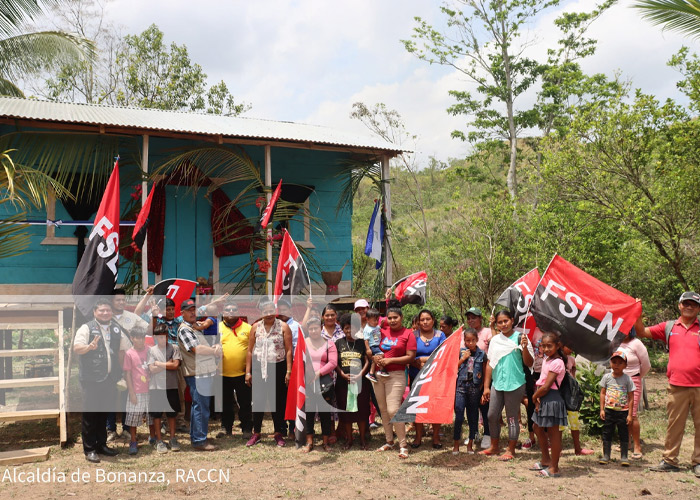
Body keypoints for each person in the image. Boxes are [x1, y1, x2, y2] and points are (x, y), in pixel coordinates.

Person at [634, 291, 700, 476]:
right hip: (677, 385)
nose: (689, 306)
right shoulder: (669, 326)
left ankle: (698, 462)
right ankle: (670, 460)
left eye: (693, 304)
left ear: (698, 308)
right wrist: (637, 314)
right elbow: (642, 332)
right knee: (674, 425)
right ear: (679, 305)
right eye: (685, 303)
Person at [73, 297, 130, 463]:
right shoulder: (86, 328)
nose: (105, 313)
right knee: (90, 415)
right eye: (101, 310)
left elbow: (123, 351)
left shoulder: (116, 329)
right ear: (94, 312)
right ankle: (90, 449)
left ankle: (101, 445)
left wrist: (122, 373)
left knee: (103, 414)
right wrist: (89, 347)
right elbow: (77, 348)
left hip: (110, 379)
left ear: (111, 312)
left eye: (108, 310)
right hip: (91, 379)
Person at [480, 309, 534, 461]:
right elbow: (490, 363)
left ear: (512, 320)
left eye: (506, 321)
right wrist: (486, 387)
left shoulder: (521, 338)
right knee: (491, 415)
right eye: (500, 322)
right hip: (497, 383)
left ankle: (511, 449)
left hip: (515, 383)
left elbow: (529, 363)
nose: (503, 324)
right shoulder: (495, 340)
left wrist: (524, 348)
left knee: (511, 418)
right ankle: (494, 446)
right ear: (496, 324)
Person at [370, 300, 416, 459]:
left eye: (396, 317)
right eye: (390, 318)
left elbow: (410, 357)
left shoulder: (408, 334)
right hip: (378, 374)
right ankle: (389, 441)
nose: (392, 320)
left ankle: (403, 445)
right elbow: (371, 346)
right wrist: (375, 358)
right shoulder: (381, 331)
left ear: (402, 317)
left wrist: (390, 361)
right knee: (382, 410)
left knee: (393, 410)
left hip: (396, 375)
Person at [245, 297, 293, 447]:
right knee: (258, 400)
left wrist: (289, 370)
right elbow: (249, 351)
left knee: (277, 401)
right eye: (265, 311)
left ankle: (278, 432)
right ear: (261, 312)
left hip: (278, 367)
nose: (269, 314)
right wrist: (248, 372)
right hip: (259, 367)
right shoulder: (255, 327)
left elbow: (289, 350)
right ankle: (257, 433)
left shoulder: (283, 327)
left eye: (271, 311)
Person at [178, 298, 222, 451]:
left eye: (194, 310)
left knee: (200, 406)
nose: (192, 313)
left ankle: (198, 436)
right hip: (197, 373)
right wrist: (214, 350)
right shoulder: (185, 329)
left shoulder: (193, 327)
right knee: (201, 407)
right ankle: (199, 440)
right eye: (189, 310)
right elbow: (196, 349)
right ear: (182, 313)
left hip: (202, 372)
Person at [530, 332, 568, 478]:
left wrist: (534, 397)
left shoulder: (557, 362)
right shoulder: (547, 359)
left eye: (549, 346)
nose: (545, 349)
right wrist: (538, 397)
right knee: (536, 427)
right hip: (543, 398)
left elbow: (547, 386)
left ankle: (554, 467)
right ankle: (546, 459)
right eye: (543, 346)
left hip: (552, 399)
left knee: (554, 434)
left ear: (558, 346)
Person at [409, 309, 446, 448]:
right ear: (418, 322)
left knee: (435, 406)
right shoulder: (413, 335)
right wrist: (416, 362)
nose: (425, 322)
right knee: (417, 406)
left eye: (428, 319)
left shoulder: (440, 335)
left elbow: (442, 354)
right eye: (422, 319)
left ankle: (435, 437)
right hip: (416, 375)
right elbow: (409, 355)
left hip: (435, 376)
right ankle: (418, 437)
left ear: (433, 320)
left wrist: (424, 360)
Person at [217, 302, 253, 439]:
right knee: (225, 403)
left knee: (245, 403)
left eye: (234, 309)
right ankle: (226, 428)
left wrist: (250, 371)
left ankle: (247, 428)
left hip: (243, 373)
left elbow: (252, 350)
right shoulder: (216, 328)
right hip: (222, 374)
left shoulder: (248, 328)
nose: (231, 311)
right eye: (227, 309)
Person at [336, 313, 371, 450]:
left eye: (352, 328)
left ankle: (362, 439)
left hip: (361, 383)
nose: (349, 331)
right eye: (346, 328)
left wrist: (360, 375)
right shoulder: (338, 343)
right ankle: (349, 440)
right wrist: (342, 374)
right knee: (346, 412)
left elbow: (368, 361)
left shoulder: (362, 343)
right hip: (343, 384)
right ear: (343, 329)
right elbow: (335, 363)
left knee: (361, 411)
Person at [302, 317, 338, 452]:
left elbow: (333, 363)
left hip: (325, 383)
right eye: (310, 329)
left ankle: (325, 442)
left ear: (321, 328)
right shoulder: (304, 343)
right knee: (309, 412)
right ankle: (309, 442)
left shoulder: (329, 344)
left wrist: (319, 373)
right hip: (308, 382)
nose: (313, 331)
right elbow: (299, 361)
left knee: (325, 413)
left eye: (316, 328)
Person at [147, 323, 182, 453]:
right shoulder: (151, 350)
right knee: (157, 415)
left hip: (171, 386)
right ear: (155, 337)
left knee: (172, 414)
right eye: (160, 337)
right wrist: (168, 364)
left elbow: (175, 366)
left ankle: (173, 438)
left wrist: (159, 363)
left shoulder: (174, 348)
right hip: (156, 387)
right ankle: (159, 440)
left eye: (165, 336)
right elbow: (152, 369)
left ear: (168, 336)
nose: (163, 339)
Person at [616, 329, 650, 460]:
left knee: (633, 414)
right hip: (618, 381)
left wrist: (636, 377)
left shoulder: (637, 344)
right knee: (622, 413)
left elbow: (646, 365)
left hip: (633, 380)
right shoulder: (615, 343)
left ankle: (637, 446)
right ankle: (626, 442)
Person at [453, 328, 486, 454]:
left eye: (473, 340)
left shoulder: (481, 354)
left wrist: (482, 387)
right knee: (459, 416)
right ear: (464, 341)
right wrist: (463, 358)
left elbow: (484, 371)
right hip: (461, 387)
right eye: (468, 340)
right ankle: (456, 444)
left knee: (473, 417)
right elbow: (453, 367)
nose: (470, 343)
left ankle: (470, 444)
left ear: (477, 340)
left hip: (474, 388)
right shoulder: (461, 352)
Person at [599, 350, 635, 466]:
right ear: (610, 363)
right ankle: (606, 455)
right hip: (609, 411)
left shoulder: (627, 379)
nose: (617, 365)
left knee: (623, 433)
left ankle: (624, 456)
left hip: (622, 412)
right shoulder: (607, 377)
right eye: (614, 362)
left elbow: (631, 397)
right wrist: (602, 409)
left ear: (625, 365)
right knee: (607, 432)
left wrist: (629, 414)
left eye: (620, 363)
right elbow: (603, 393)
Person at [122, 326, 155, 455]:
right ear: (132, 338)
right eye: (137, 338)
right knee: (133, 417)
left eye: (142, 338)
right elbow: (128, 374)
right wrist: (131, 393)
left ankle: (153, 437)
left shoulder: (150, 350)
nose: (140, 341)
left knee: (151, 416)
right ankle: (134, 441)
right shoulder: (129, 353)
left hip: (151, 389)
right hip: (137, 390)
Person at [559, 346, 593, 456]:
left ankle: (577, 448)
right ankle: (558, 448)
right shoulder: (557, 359)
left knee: (574, 423)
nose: (572, 348)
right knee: (559, 424)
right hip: (559, 395)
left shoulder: (572, 359)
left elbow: (573, 374)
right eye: (568, 346)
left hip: (570, 395)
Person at [465, 306, 492, 450]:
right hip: (469, 378)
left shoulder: (487, 332)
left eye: (474, 317)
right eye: (469, 318)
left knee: (484, 406)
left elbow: (492, 351)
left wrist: (485, 383)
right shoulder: (465, 333)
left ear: (481, 318)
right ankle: (473, 433)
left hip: (484, 375)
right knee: (471, 407)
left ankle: (487, 434)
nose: (471, 320)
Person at [278, 298, 302, 439]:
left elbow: (297, 348)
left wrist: (292, 368)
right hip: (278, 365)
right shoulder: (275, 325)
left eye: (285, 309)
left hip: (292, 366)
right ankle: (282, 427)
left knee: (293, 398)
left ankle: (293, 428)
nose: (282, 312)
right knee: (281, 398)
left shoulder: (296, 326)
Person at [364, 308, 386, 382]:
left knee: (374, 359)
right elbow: (366, 340)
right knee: (381, 355)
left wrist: (381, 324)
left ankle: (371, 372)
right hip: (373, 345)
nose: (376, 322)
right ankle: (381, 369)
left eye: (377, 320)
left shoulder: (375, 326)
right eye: (374, 320)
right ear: (367, 320)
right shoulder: (367, 329)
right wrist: (368, 349)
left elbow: (378, 328)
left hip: (377, 345)